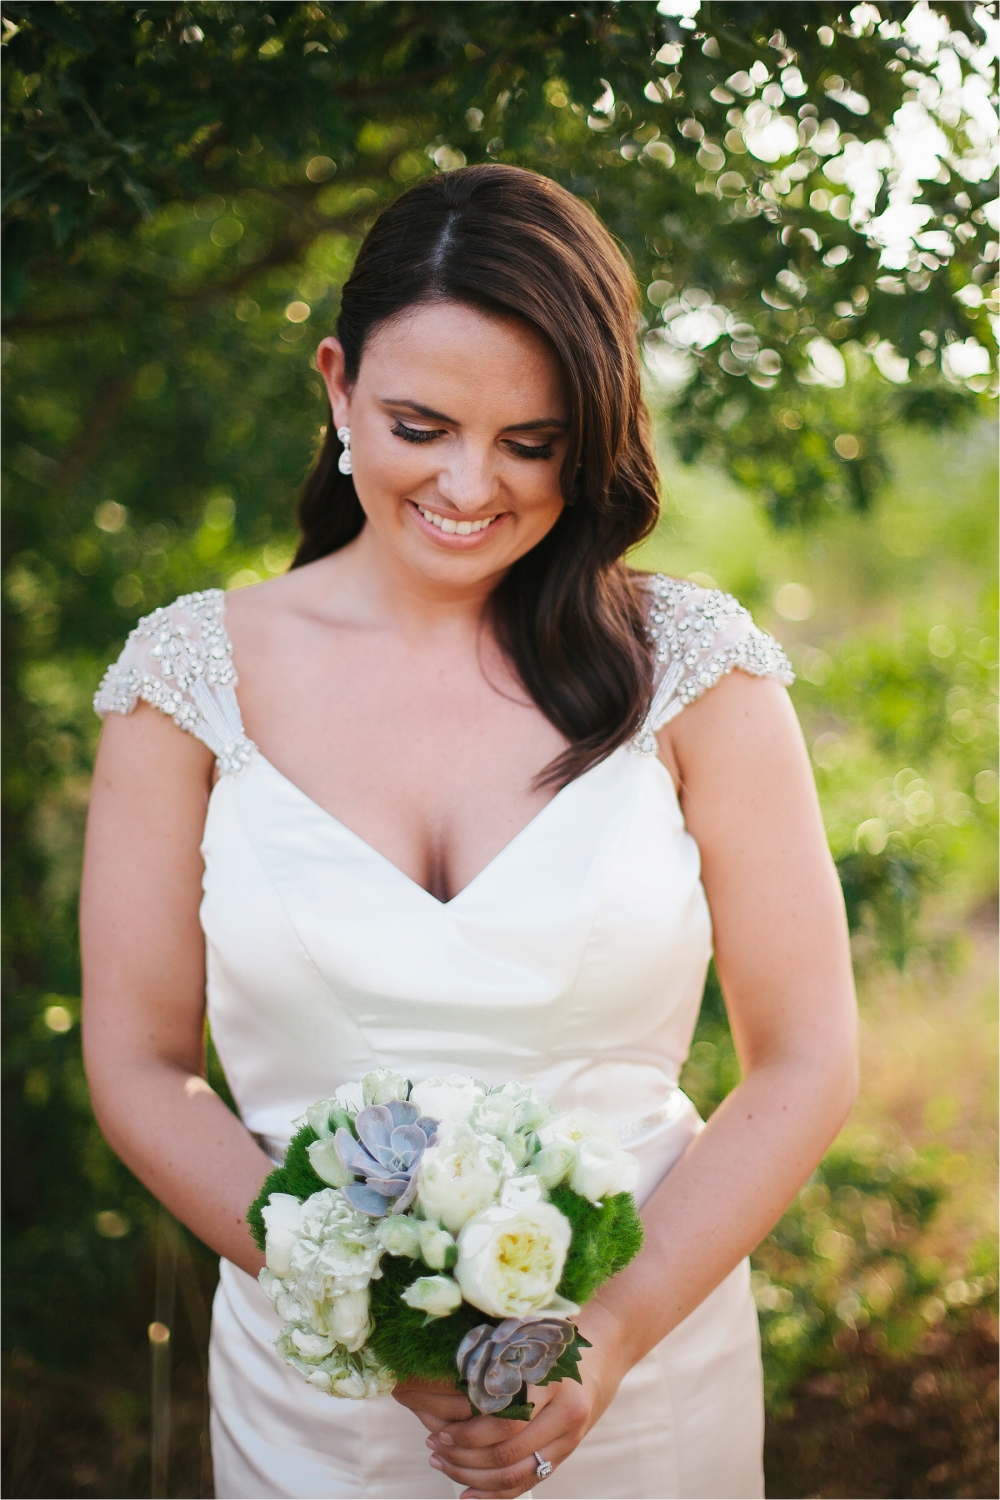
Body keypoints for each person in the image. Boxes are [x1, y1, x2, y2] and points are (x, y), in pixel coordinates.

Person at [81, 163, 857, 1500]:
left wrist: (601, 1344)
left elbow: (804, 1059)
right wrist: (353, 1301)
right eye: (419, 424)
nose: (468, 485)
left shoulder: (692, 673)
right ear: (336, 385)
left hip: (645, 1388)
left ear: (592, 434)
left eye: (531, 442)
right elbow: (143, 1067)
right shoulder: (186, 685)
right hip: (312, 1398)